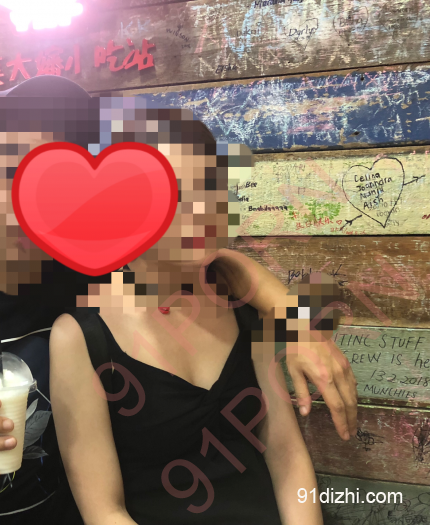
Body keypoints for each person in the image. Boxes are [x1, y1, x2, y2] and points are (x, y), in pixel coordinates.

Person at [0, 76, 355, 525]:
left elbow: (214, 261)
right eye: (14, 171)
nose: (32, 195)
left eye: (51, 177)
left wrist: (299, 323)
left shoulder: (85, 270)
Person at [48, 105, 336, 524]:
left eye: (208, 186)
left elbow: (286, 453)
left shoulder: (241, 301)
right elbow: (104, 511)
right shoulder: (80, 336)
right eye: (175, 194)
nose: (202, 208)